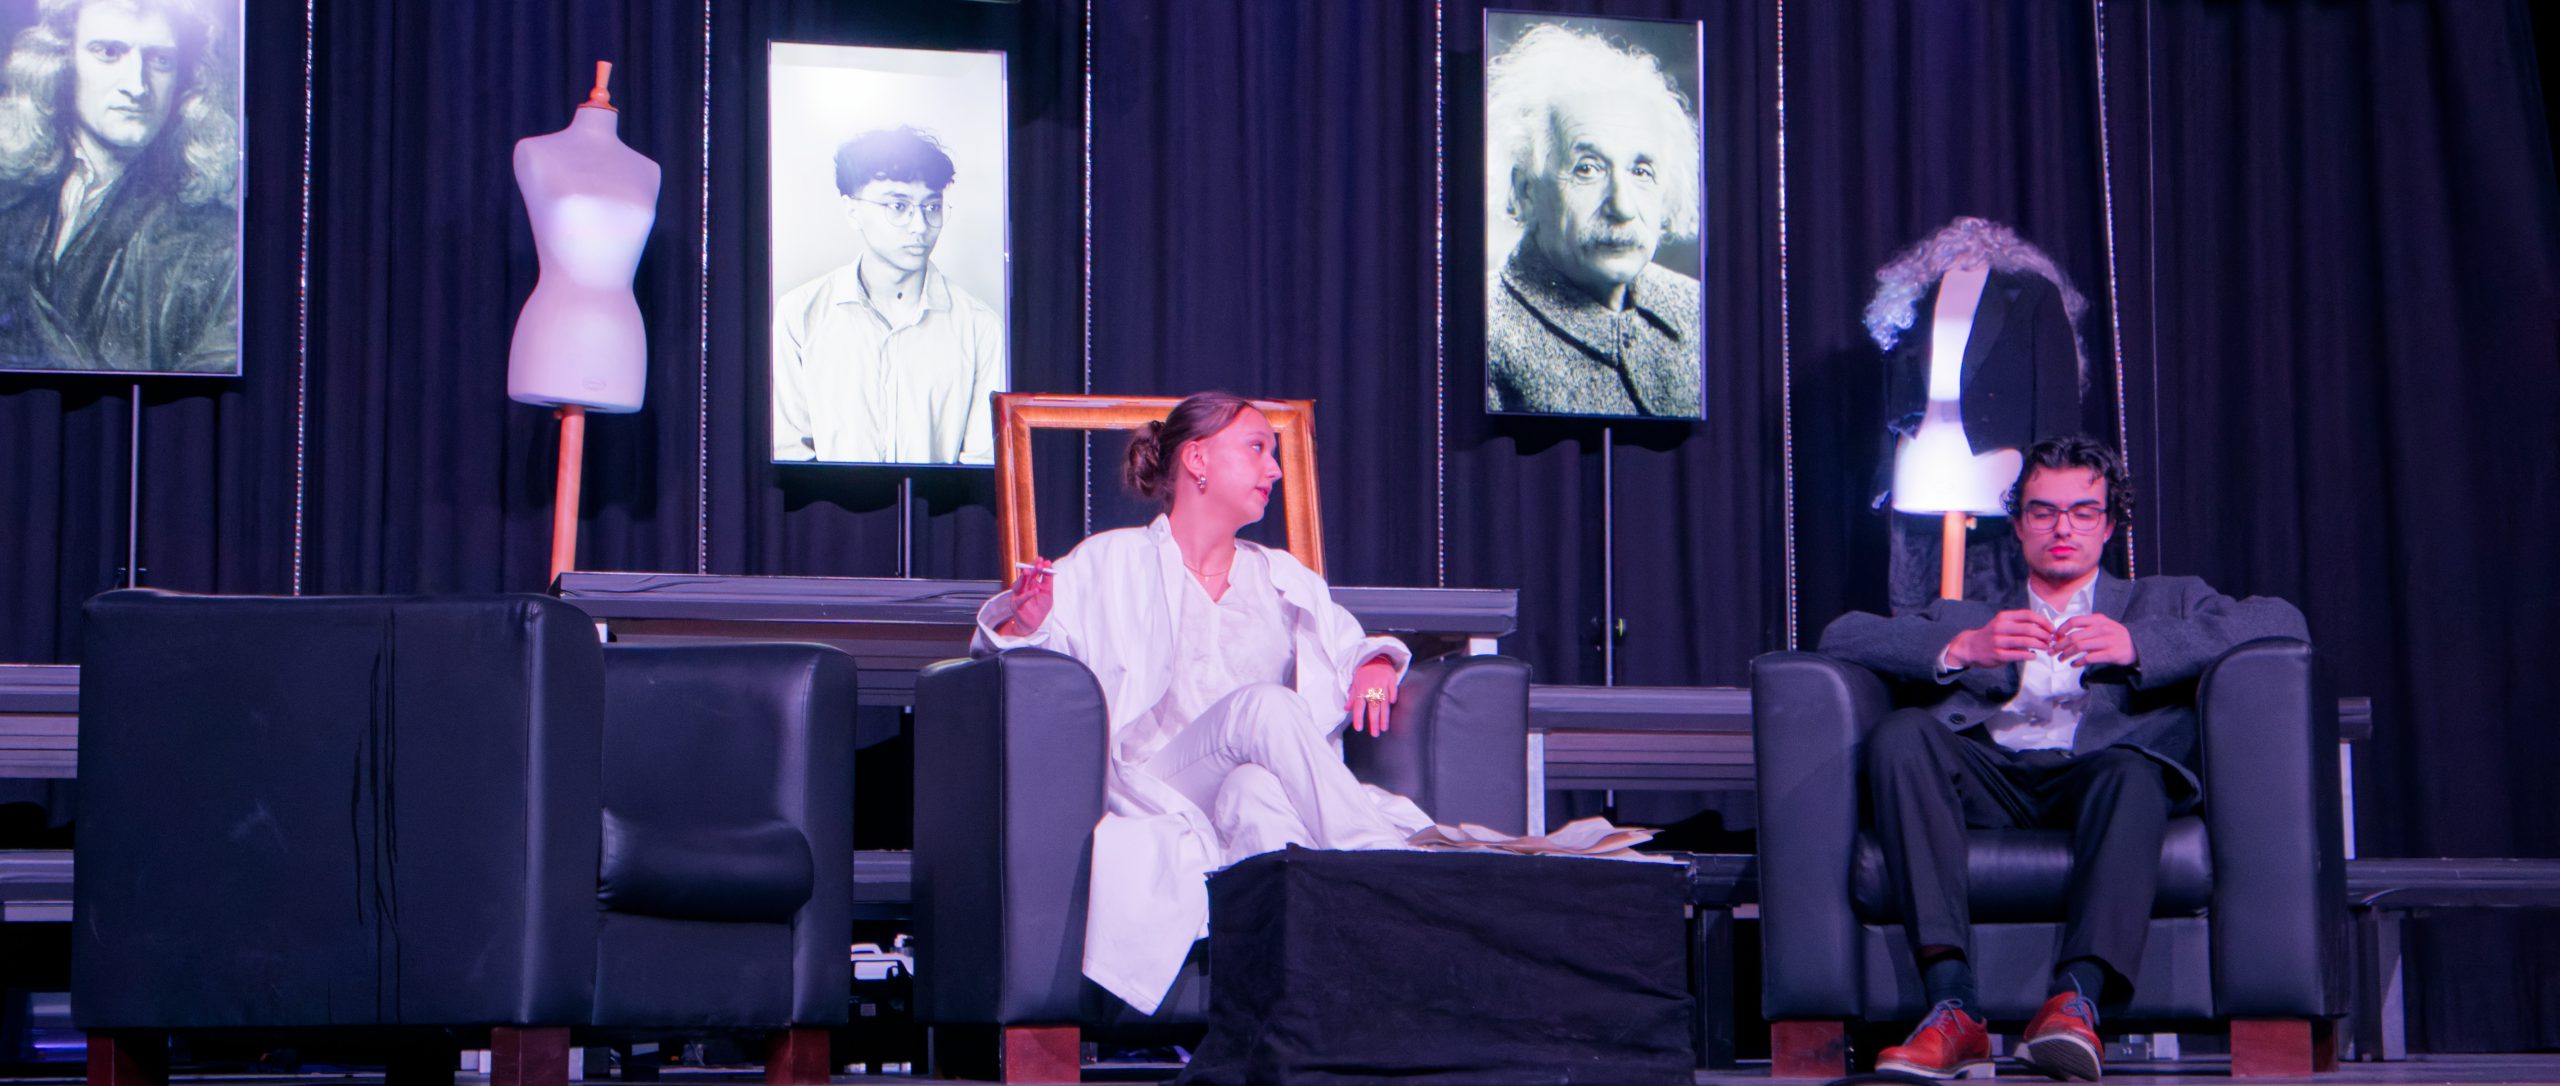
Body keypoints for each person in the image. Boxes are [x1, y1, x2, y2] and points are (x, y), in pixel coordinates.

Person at [1818, 435, 2308, 1082]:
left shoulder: (2162, 602)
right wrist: (1963, 647)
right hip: (1989, 781)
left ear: (2108, 525)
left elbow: (2282, 621)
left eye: (2082, 512)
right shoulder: (1971, 614)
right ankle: (1953, 1007)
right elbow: (1841, 635)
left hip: (2100, 781)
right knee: (1903, 734)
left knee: (2134, 769)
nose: (2062, 528)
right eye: (2043, 511)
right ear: (2018, 525)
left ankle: (2074, 1005)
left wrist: (2138, 645)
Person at [973, 391, 1425, 1014]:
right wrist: (1024, 623)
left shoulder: (1280, 575)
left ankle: (1300, 1008)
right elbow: (1022, 662)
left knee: (1254, 793)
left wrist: (1374, 665)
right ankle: (1391, 873)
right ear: (1197, 459)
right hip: (1157, 784)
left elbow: (1350, 646)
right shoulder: (1110, 561)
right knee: (1264, 707)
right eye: (1257, 449)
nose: (1274, 469)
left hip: (1255, 785)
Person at [1863, 216, 2091, 613]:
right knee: (1913, 611)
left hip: (1995, 465)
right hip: (1920, 464)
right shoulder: (1911, 295)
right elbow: (1891, 401)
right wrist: (1885, 476)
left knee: (1995, 608)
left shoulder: (2032, 294)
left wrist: (2055, 480)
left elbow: (2056, 399)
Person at [0, 0, 238, 374]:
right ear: (61, 61)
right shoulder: (12, 204)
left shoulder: (220, 243)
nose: (137, 86)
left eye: (160, 60)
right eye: (109, 52)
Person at [1483, 22, 1702, 418]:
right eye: (1587, 169)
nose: (1622, 207)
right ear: (1525, 191)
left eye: (1641, 172)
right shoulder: (1483, 330)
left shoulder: (1695, 307)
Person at [771, 125, 1004, 464]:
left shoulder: (980, 328)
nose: (919, 226)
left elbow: (983, 467)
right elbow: (788, 455)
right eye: (898, 206)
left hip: (937, 501)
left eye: (932, 207)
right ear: (852, 210)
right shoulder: (801, 314)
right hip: (825, 501)